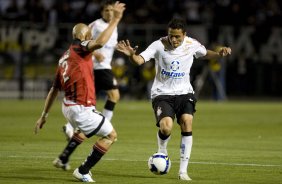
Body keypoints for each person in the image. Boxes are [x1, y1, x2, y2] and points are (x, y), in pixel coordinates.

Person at [116, 17, 231, 181]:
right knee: (166, 127)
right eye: (171, 36)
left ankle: (183, 171)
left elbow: (205, 54)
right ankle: (162, 151)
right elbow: (139, 60)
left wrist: (219, 54)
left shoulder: (192, 44)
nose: (174, 39)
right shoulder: (158, 45)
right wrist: (131, 55)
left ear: (184, 35)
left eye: (177, 36)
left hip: (184, 92)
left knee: (186, 122)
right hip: (162, 93)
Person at [34, 2, 125, 182]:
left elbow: (54, 90)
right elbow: (99, 42)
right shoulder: (82, 47)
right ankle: (83, 170)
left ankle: (65, 154)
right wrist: (115, 20)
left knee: (87, 127)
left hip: (67, 107)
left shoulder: (64, 57)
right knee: (111, 135)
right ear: (85, 36)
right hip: (80, 108)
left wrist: (44, 115)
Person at [63, 0, 120, 140]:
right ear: (102, 12)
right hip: (96, 66)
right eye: (107, 10)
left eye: (112, 10)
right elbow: (82, 41)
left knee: (88, 100)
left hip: (104, 65)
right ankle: (106, 125)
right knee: (114, 95)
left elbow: (108, 44)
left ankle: (70, 127)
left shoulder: (113, 26)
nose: (110, 12)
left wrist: (117, 48)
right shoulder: (96, 25)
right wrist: (95, 53)